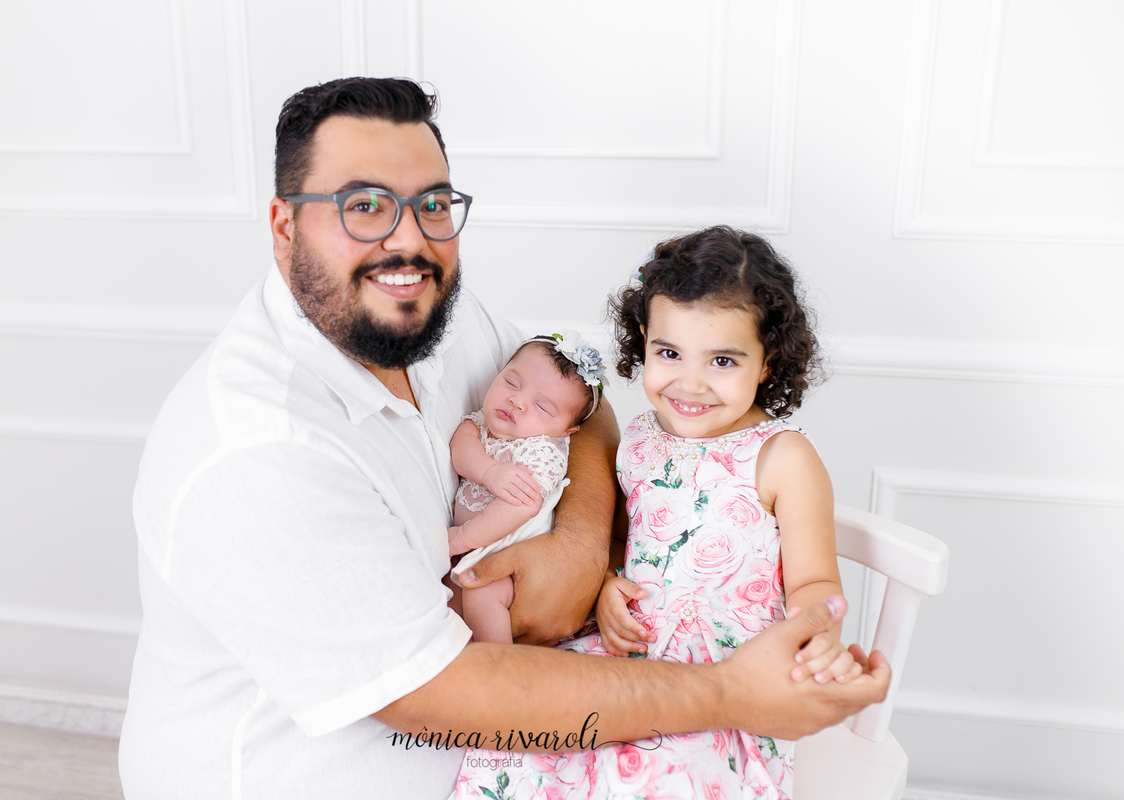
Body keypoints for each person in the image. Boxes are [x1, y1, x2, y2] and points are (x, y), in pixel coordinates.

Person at [117, 77, 890, 800]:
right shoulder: (258, 450)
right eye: (363, 205)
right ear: (285, 226)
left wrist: (583, 543)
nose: (407, 241)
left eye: (433, 204)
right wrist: (727, 693)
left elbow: (584, 407)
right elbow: (437, 697)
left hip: (520, 737)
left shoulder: (424, 313)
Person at [454, 226, 849, 799]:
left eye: (722, 360)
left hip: (726, 674)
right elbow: (624, 546)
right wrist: (611, 586)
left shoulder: (783, 457)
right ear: (643, 341)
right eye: (668, 353)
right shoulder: (639, 441)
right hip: (628, 654)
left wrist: (817, 639)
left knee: (657, 779)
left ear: (768, 361)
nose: (689, 382)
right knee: (512, 755)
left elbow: (813, 581)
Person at [448, 333, 607, 643]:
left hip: (515, 551)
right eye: (512, 383)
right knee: (454, 598)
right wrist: (489, 471)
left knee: (482, 594)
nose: (517, 402)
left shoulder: (543, 450)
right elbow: (461, 445)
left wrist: (463, 538)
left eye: (543, 407)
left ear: (567, 431)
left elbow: (524, 504)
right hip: (478, 546)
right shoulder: (483, 422)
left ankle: (501, 665)